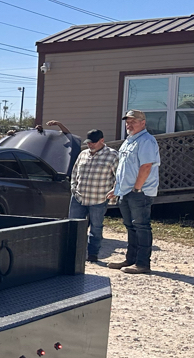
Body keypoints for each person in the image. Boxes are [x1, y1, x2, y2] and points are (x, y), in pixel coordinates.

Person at [107, 109, 161, 274]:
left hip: (140, 192)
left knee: (141, 226)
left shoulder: (146, 141)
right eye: (127, 121)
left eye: (133, 121)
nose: (129, 124)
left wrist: (137, 188)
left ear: (143, 123)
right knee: (130, 226)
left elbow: (146, 167)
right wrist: (116, 189)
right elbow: (123, 169)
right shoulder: (129, 141)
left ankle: (143, 263)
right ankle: (131, 259)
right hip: (125, 192)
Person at [54, 125, 117, 262]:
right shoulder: (83, 154)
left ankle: (92, 254)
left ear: (102, 140)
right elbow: (75, 172)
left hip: (99, 198)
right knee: (74, 226)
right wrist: (73, 187)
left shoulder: (112, 155)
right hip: (79, 197)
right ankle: (72, 253)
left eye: (93, 142)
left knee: (96, 228)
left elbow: (119, 176)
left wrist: (115, 191)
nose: (90, 144)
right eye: (88, 142)